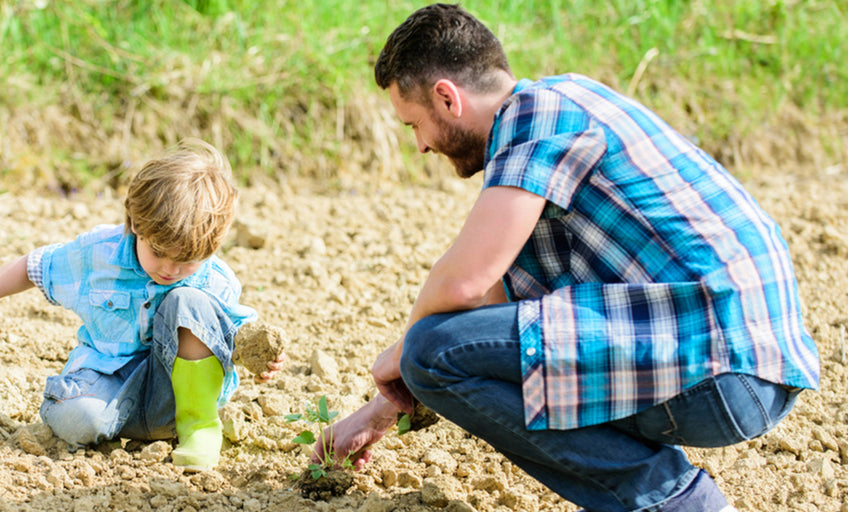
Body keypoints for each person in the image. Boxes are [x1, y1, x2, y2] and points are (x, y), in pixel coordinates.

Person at [318, 4, 819, 511]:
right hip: (745, 365)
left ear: (447, 98)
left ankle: (674, 503)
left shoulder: (538, 121)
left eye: (414, 125)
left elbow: (461, 286)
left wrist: (402, 355)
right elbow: (488, 316)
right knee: (438, 350)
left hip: (726, 372)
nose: (421, 146)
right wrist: (381, 411)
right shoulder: (562, 106)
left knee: (429, 348)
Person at [0, 139, 284, 472]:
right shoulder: (99, 254)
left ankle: (200, 428)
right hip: (112, 388)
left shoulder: (214, 278)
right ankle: (117, 427)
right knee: (77, 418)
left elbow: (236, 335)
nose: (170, 269)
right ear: (135, 224)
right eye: (158, 252)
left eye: (187, 261)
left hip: (176, 398)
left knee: (187, 301)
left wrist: (259, 354)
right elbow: (34, 267)